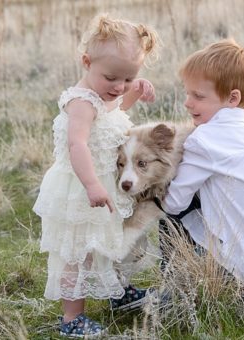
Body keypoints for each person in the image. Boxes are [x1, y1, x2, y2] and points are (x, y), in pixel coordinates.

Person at [32, 14, 159, 337]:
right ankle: (72, 318)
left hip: (104, 184)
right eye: (112, 78)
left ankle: (117, 293)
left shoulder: (104, 96)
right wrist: (91, 185)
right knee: (79, 253)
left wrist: (133, 95)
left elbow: (113, 112)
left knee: (112, 243)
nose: (119, 87)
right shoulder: (81, 102)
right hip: (81, 188)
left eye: (129, 79)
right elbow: (77, 145)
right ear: (86, 62)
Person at [161, 39, 244, 303]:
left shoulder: (204, 140)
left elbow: (174, 203)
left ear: (232, 98)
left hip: (243, 267)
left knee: (166, 212)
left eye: (198, 96)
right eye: (187, 93)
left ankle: (174, 288)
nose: (187, 103)